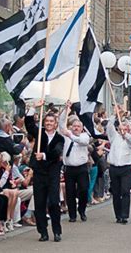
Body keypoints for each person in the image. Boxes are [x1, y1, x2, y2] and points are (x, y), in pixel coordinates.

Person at [25, 100, 64, 242]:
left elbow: (57, 152)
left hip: (53, 173)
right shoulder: (39, 133)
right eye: (46, 121)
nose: (48, 123)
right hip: (40, 173)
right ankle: (43, 232)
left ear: (55, 123)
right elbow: (29, 125)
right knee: (39, 203)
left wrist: (44, 155)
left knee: (54, 203)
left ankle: (57, 231)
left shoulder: (60, 138)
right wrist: (33, 108)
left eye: (51, 121)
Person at [105, 106, 131, 224]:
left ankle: (124, 215)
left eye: (126, 128)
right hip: (114, 168)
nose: (123, 130)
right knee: (116, 192)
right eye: (122, 128)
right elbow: (109, 127)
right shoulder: (114, 137)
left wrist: (126, 135)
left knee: (125, 191)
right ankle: (118, 215)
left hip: (126, 168)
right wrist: (115, 115)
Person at [59, 101, 90, 223]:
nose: (76, 128)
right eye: (74, 126)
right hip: (69, 168)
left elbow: (82, 142)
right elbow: (61, 124)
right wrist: (66, 110)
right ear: (71, 126)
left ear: (81, 128)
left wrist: (70, 135)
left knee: (83, 189)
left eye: (78, 126)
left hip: (81, 168)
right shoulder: (66, 134)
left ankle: (82, 210)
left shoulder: (84, 136)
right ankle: (72, 215)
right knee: (70, 192)